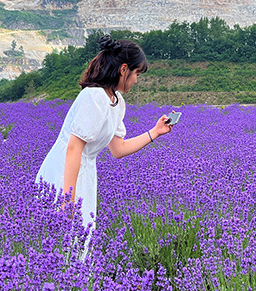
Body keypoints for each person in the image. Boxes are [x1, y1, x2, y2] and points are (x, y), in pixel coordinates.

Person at [35, 35, 173, 228]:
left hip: (86, 173)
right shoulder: (94, 96)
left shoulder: (116, 102)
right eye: (136, 74)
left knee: (79, 241)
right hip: (65, 173)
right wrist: (67, 200)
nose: (136, 81)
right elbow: (74, 148)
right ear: (124, 69)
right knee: (61, 240)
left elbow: (118, 149)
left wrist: (155, 132)